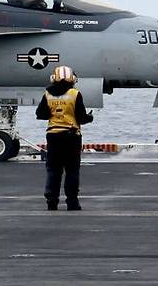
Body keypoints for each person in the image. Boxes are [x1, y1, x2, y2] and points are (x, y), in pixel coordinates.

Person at [36, 65, 93, 211]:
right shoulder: (75, 94)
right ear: (72, 79)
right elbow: (81, 117)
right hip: (71, 137)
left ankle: (52, 201)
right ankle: (72, 202)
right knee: (72, 170)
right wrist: (90, 118)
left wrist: (54, 113)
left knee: (53, 170)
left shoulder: (47, 94)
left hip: (53, 137)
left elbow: (40, 114)